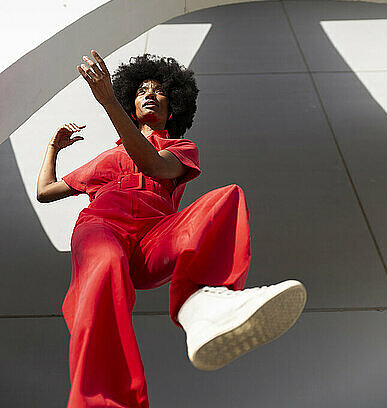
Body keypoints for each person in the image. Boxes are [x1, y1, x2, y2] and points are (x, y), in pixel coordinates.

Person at [36, 50, 307, 408]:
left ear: (173, 106)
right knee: (102, 273)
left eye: (159, 90)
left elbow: (149, 163)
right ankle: (104, 402)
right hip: (104, 228)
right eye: (141, 89)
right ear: (131, 103)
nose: (150, 93)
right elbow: (45, 192)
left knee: (226, 199)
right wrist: (53, 148)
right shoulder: (106, 158)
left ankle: (200, 307)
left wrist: (107, 104)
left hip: (154, 237)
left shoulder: (181, 148)